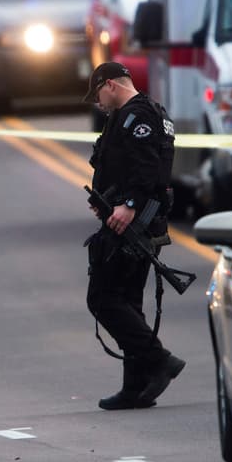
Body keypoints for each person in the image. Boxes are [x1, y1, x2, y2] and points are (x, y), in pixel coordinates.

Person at [83, 62, 186, 410]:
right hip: (129, 220)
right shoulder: (128, 115)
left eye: (97, 92)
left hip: (135, 224)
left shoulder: (141, 116)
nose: (97, 101)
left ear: (110, 84)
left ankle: (159, 360)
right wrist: (106, 202)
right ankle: (137, 385)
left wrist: (127, 205)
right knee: (127, 301)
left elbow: (147, 169)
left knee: (103, 298)